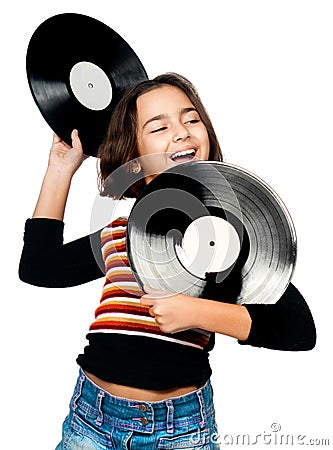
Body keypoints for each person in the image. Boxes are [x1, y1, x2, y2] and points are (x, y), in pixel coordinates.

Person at [19, 73, 316, 450]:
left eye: (191, 119)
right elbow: (38, 268)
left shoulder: (229, 234)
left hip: (181, 429)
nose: (181, 132)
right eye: (158, 127)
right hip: (90, 419)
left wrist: (195, 312)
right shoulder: (118, 232)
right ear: (134, 158)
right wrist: (60, 170)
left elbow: (298, 329)